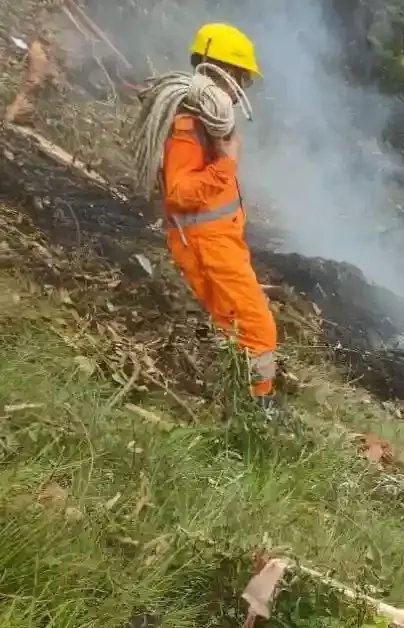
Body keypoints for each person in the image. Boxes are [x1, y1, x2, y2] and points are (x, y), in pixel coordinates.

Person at [138, 23, 278, 406]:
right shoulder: (188, 126)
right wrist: (227, 163)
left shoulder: (204, 121)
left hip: (219, 241)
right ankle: (257, 408)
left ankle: (239, 398)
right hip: (207, 245)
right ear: (225, 70)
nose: (243, 87)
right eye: (242, 77)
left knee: (236, 325)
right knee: (258, 328)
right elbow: (180, 194)